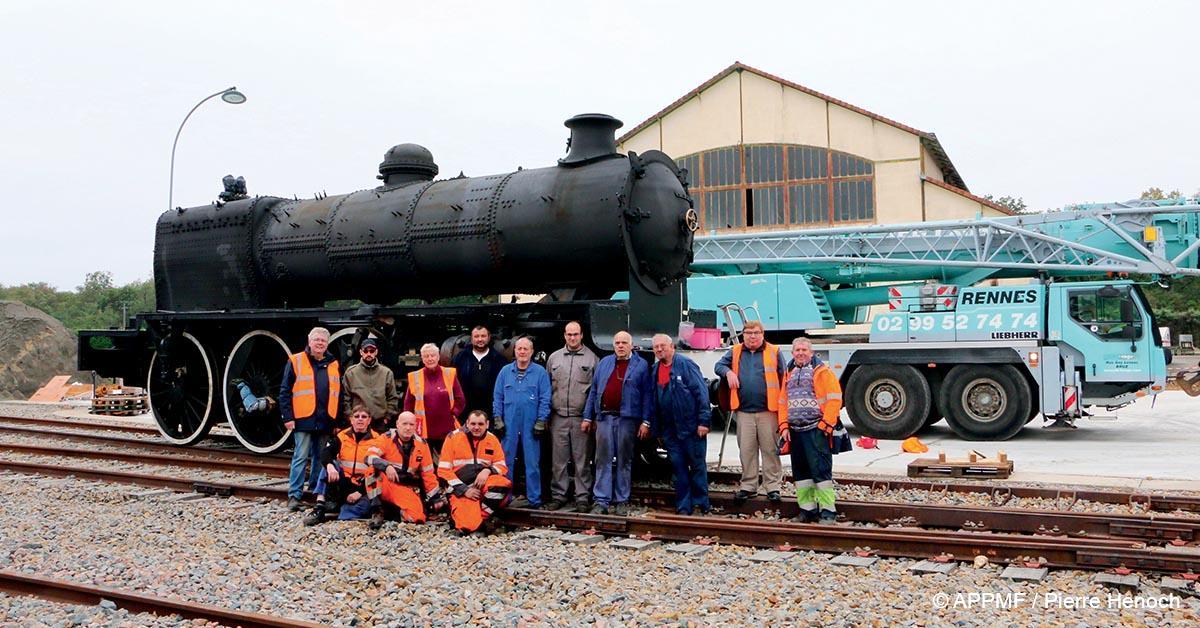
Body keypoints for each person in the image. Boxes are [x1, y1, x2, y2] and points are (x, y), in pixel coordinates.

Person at [714, 320, 786, 504]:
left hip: (768, 411)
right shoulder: (735, 351)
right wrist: (728, 373)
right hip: (744, 412)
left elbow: (784, 378)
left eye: (756, 333)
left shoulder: (774, 351)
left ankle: (773, 487)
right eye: (748, 333)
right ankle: (749, 486)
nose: (752, 336)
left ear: (762, 334)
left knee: (770, 450)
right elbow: (718, 366)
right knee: (746, 451)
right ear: (743, 335)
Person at [582, 330, 651, 515]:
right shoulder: (604, 363)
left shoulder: (641, 365)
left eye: (624, 343)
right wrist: (588, 417)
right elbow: (594, 391)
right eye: (617, 343)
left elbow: (647, 395)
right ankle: (601, 500)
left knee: (624, 459)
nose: (620, 346)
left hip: (627, 419)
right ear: (613, 345)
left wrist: (646, 421)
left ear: (631, 345)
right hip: (604, 418)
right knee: (602, 459)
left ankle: (622, 500)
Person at [777, 337, 845, 524]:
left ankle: (828, 512)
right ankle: (807, 510)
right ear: (792, 353)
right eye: (797, 350)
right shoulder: (789, 373)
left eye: (804, 350)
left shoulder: (823, 371)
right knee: (801, 473)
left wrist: (825, 425)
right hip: (795, 431)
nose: (800, 353)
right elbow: (782, 402)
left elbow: (835, 399)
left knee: (821, 471)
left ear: (812, 352)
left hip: (816, 429)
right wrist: (783, 426)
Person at [648, 334, 712, 515]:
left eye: (662, 346)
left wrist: (704, 421)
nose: (659, 349)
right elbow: (654, 402)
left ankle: (700, 503)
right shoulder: (655, 370)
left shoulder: (686, 365)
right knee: (678, 467)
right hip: (669, 429)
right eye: (656, 347)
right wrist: (657, 430)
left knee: (697, 465)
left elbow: (701, 393)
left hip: (691, 427)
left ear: (672, 347)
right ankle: (684, 506)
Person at [279, 327, 340, 512]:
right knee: (300, 456)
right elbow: (285, 391)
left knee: (320, 458)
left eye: (323, 340)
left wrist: (336, 421)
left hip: (325, 419)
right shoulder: (296, 360)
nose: (320, 343)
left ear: (327, 344)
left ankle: (316, 491)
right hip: (303, 418)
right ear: (309, 341)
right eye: (317, 340)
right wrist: (288, 416)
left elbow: (338, 393)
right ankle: (294, 495)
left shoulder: (333, 363)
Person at [303, 405, 387, 528]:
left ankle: (340, 508)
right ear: (351, 420)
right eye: (356, 416)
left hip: (363, 486)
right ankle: (319, 508)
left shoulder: (377, 439)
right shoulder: (342, 436)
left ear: (369, 420)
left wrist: (359, 492)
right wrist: (330, 466)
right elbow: (325, 453)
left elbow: (378, 471)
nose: (360, 419)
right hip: (343, 483)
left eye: (364, 417)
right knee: (328, 465)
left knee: (347, 515)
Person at [545, 321, 598, 511]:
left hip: (581, 419)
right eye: (569, 334)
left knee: (581, 461)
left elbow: (595, 392)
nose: (572, 337)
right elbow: (547, 388)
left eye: (576, 334)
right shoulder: (554, 358)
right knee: (558, 461)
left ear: (582, 335)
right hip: (558, 417)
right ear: (564, 336)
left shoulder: (592, 359)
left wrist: (591, 417)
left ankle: (582, 497)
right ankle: (559, 495)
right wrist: (547, 416)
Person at [492, 337, 551, 508]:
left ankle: (534, 499)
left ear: (532, 352)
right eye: (519, 349)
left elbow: (545, 398)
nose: (522, 352)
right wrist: (497, 418)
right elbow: (497, 397)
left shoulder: (540, 373)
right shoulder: (505, 372)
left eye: (526, 349)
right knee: (506, 461)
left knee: (532, 463)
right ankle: (504, 497)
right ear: (515, 351)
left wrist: (541, 420)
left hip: (531, 423)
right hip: (509, 422)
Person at [438, 409, 512, 535]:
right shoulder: (453, 437)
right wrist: (464, 490)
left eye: (480, 424)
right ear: (467, 423)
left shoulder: (492, 439)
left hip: (482, 486)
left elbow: (502, 466)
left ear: (487, 424)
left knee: (502, 483)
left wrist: (488, 470)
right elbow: (443, 471)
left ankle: (482, 518)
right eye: (473, 424)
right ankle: (473, 520)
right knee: (468, 526)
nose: (476, 427)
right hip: (461, 489)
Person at [366, 411, 443, 525]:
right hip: (385, 484)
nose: (408, 428)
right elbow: (368, 457)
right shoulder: (386, 438)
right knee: (371, 469)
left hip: (404, 486)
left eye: (411, 424)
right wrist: (386, 466)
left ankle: (391, 512)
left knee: (417, 518)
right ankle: (377, 510)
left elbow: (428, 474)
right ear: (397, 424)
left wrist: (435, 498)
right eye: (404, 424)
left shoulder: (422, 444)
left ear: (416, 426)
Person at [404, 343, 466, 456]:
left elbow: (460, 399)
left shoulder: (450, 374)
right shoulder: (415, 377)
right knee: (423, 461)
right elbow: (408, 404)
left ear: (438, 357)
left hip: (446, 427)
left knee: (448, 459)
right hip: (423, 429)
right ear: (422, 359)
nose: (430, 359)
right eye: (426, 356)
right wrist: (408, 422)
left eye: (432, 355)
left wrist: (453, 414)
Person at [451, 325, 511, 428]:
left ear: (489, 338)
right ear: (471, 339)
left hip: (490, 411)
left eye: (483, 336)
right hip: (465, 412)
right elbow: (453, 385)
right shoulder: (460, 359)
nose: (480, 339)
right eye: (476, 336)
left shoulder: (499, 360)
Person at [340, 337, 398, 432]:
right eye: (366, 351)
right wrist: (350, 417)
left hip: (379, 423)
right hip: (358, 422)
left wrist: (387, 417)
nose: (369, 353)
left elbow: (392, 397)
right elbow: (345, 398)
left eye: (372, 351)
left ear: (376, 352)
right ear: (361, 352)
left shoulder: (386, 373)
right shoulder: (351, 373)